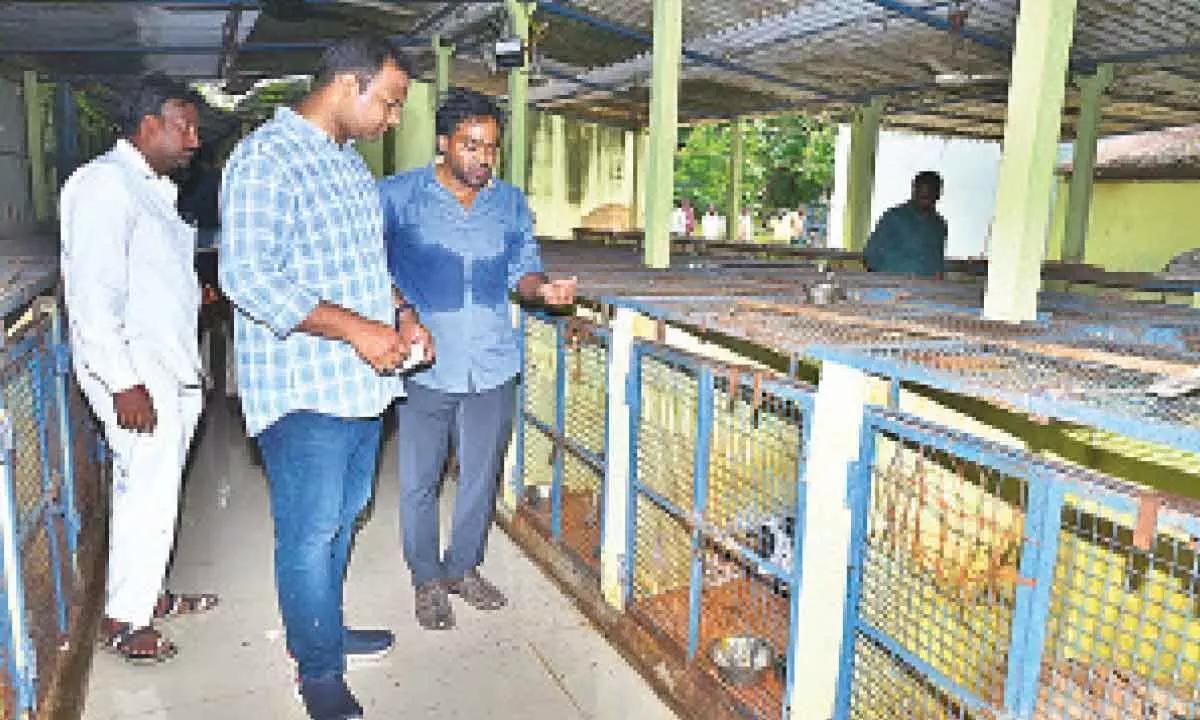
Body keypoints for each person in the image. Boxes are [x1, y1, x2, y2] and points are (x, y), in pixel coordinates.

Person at [219, 35, 429, 720]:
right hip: (303, 387)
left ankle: (326, 630)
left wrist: (402, 315)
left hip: (363, 386)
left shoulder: (349, 167)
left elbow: (368, 268)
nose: (393, 120)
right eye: (390, 104)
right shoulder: (264, 160)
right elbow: (246, 276)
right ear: (349, 84)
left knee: (343, 519)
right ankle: (316, 670)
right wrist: (357, 330)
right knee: (309, 533)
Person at [379, 88, 576, 632]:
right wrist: (402, 312)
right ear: (443, 144)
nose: (482, 158)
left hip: (492, 362)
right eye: (470, 145)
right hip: (424, 364)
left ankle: (463, 568)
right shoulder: (397, 197)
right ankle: (426, 579)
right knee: (419, 478)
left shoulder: (509, 202)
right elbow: (370, 266)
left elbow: (523, 271)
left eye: (490, 148)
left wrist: (545, 291)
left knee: (481, 474)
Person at [59, 74, 218, 665]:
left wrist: (191, 293)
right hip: (136, 376)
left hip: (166, 366)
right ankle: (124, 621)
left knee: (155, 493)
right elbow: (93, 297)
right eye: (186, 126)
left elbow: (144, 276)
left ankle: (148, 595)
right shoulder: (103, 186)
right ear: (148, 124)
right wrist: (124, 383)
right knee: (144, 494)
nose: (194, 140)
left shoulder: (149, 186)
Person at [863, 171, 948, 277]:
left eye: (930, 197)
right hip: (892, 286)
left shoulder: (939, 225)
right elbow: (871, 256)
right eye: (922, 196)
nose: (926, 201)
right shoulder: (893, 218)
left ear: (938, 195)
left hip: (927, 289)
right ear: (914, 190)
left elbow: (938, 263)